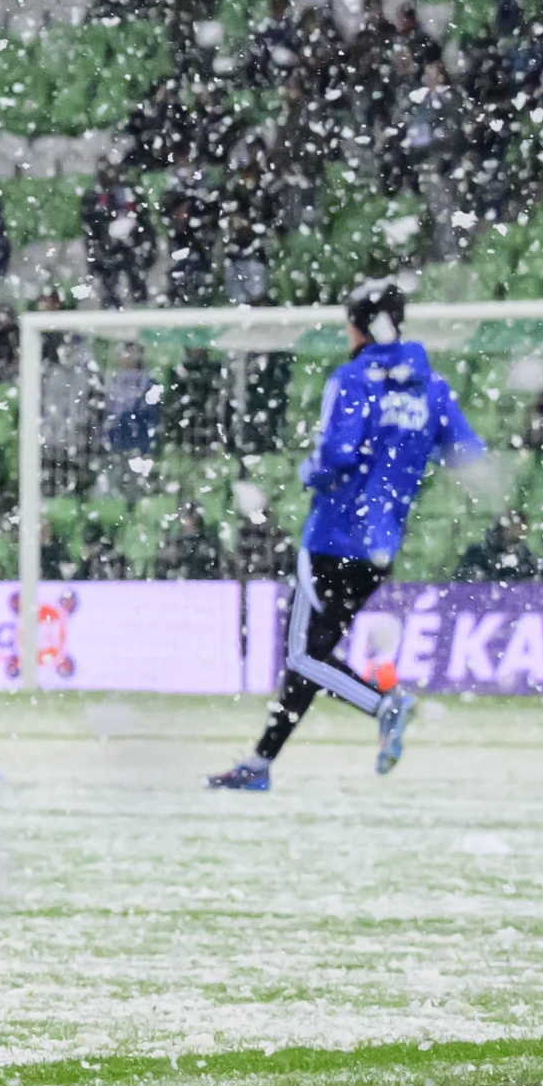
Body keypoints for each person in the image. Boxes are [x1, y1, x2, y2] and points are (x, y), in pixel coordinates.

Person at [216, 281, 484, 790]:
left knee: (301, 655)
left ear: (358, 326)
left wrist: (309, 472)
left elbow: (337, 455)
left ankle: (384, 704)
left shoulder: (353, 378)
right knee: (315, 657)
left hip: (334, 537)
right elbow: (466, 450)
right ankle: (259, 764)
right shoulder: (433, 387)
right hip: (380, 546)